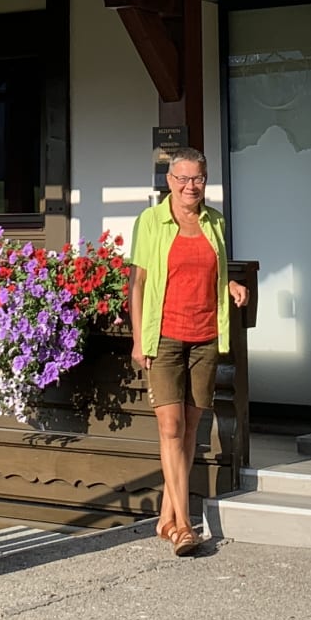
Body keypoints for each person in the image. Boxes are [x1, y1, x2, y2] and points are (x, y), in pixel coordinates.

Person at [129, 147, 248, 554]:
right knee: (171, 428)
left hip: (205, 337)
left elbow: (213, 269)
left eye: (197, 178)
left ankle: (165, 518)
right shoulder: (151, 221)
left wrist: (231, 285)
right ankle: (183, 525)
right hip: (164, 336)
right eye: (182, 178)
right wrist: (137, 339)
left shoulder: (215, 221)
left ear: (205, 180)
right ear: (169, 181)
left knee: (191, 430)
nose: (190, 186)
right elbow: (138, 284)